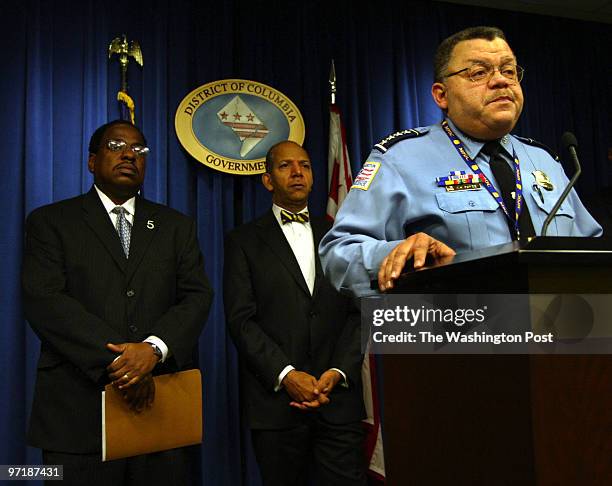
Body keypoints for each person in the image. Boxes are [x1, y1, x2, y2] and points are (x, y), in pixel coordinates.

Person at [319, 26, 602, 297]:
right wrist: (396, 254)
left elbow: (593, 251)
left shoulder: (545, 161)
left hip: (564, 333)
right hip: (459, 334)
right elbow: (338, 252)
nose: (501, 80)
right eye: (479, 72)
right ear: (441, 95)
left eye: (509, 70)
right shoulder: (400, 158)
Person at [22, 120, 213, 485]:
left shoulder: (176, 226)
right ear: (92, 161)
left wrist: (153, 350)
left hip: (159, 413)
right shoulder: (51, 222)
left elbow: (197, 296)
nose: (129, 155)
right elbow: (44, 301)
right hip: (76, 416)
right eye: (116, 146)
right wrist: (122, 361)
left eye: (139, 150)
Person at [223, 141, 366, 485]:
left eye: (305, 165)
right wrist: (287, 375)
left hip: (338, 401)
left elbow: (358, 313)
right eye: (286, 166)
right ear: (268, 180)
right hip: (276, 408)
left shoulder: (340, 236)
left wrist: (337, 371)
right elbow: (241, 321)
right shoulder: (242, 241)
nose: (298, 172)